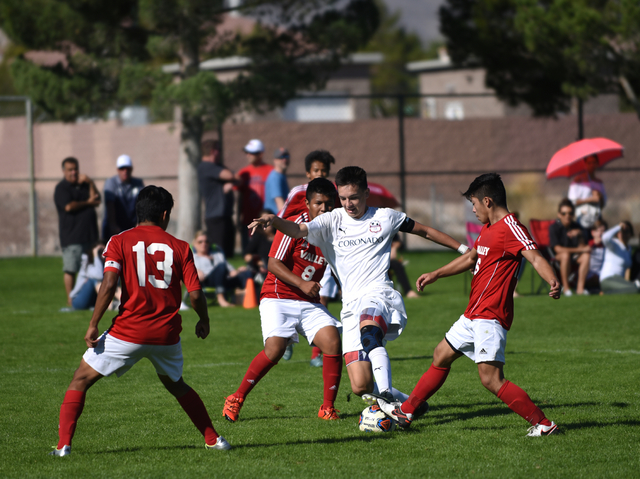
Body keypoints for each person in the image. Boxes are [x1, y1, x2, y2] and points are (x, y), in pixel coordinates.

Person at [248, 166, 467, 408]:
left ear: (366, 193)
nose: (348, 204)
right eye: (342, 199)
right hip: (350, 305)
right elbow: (297, 230)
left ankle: (389, 400)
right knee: (360, 385)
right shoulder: (331, 220)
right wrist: (274, 220)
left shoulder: (385, 217)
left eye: (353, 197)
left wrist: (463, 250)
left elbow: (424, 231)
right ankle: (408, 403)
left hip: (378, 294)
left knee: (370, 332)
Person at [375, 173, 562, 437]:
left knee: (490, 379)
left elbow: (535, 256)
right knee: (441, 355)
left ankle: (543, 424)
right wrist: (436, 274)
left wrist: (552, 279)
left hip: (491, 315)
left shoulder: (512, 227)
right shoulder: (488, 228)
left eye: (474, 204)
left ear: (488, 201)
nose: (473, 209)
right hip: (473, 313)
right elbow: (472, 258)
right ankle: (407, 411)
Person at [49, 186, 230, 456]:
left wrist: (93, 323)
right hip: (166, 336)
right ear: (165, 214)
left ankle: (63, 447)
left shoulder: (119, 241)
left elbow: (109, 283)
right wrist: (204, 319)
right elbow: (194, 294)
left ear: (138, 211)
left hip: (128, 333)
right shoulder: (181, 247)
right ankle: (214, 439)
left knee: (80, 380)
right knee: (176, 385)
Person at [223, 178, 343, 423]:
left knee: (332, 342)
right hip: (278, 295)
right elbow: (273, 264)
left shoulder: (336, 227)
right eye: (318, 203)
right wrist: (302, 284)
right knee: (275, 349)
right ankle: (236, 397)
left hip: (308, 301)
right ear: (308, 203)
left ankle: (327, 408)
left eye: (329, 204)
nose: (324, 209)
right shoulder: (296, 224)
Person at [278, 150, 337, 366]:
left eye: (324, 171)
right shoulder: (297, 193)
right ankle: (287, 338)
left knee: (321, 299)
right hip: (299, 253)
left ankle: (317, 353)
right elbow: (283, 217)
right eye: (316, 170)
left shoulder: (333, 194)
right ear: (307, 173)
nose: (320, 173)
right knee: (294, 296)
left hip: (323, 255)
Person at [54, 157, 101, 306]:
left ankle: (92, 298)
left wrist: (90, 182)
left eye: (75, 169)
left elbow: (97, 199)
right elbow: (68, 206)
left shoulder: (84, 186)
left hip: (90, 236)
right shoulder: (62, 188)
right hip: (72, 236)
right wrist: (87, 203)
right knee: (71, 269)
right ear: (64, 171)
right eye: (70, 170)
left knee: (92, 268)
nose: (74, 172)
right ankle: (71, 300)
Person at [193, 230, 252, 307]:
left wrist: (238, 271)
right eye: (200, 242)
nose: (203, 244)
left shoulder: (217, 254)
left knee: (246, 273)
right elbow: (186, 272)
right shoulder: (193, 258)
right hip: (207, 281)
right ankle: (221, 298)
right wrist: (195, 271)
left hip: (224, 278)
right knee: (220, 266)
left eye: (206, 241)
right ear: (195, 244)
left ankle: (251, 298)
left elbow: (231, 270)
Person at [198, 140, 236, 258]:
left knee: (228, 254)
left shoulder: (217, 166)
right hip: (216, 218)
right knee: (219, 253)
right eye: (219, 150)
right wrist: (232, 179)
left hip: (225, 215)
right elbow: (230, 175)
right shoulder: (205, 166)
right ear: (213, 151)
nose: (220, 153)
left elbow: (236, 178)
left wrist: (232, 181)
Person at [236, 139, 273, 254]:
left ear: (260, 154)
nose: (249, 155)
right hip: (248, 218)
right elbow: (239, 196)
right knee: (248, 251)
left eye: (252, 153)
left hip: (264, 219)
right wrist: (238, 216)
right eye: (247, 152)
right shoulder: (243, 172)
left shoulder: (270, 171)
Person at [548, 198, 591, 296]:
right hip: (558, 258)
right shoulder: (554, 227)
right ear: (559, 214)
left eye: (570, 213)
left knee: (586, 256)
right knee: (565, 255)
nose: (567, 216)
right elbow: (557, 249)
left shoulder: (577, 227)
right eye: (564, 213)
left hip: (574, 256)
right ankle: (566, 288)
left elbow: (584, 247)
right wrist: (580, 249)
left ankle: (580, 289)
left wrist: (579, 234)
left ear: (573, 214)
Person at [102, 154, 144, 243]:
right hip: (116, 227)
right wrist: (113, 226)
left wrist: (139, 225)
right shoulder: (111, 183)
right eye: (122, 169)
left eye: (128, 168)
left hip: (132, 227)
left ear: (131, 169)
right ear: (118, 170)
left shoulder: (138, 184)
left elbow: (142, 206)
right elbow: (110, 206)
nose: (125, 171)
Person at [568, 155, 606, 232]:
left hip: (596, 216)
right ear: (585, 164)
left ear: (597, 164)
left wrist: (599, 196)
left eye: (594, 162)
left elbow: (603, 204)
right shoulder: (577, 182)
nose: (592, 165)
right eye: (589, 163)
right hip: (582, 216)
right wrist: (591, 199)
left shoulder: (599, 182)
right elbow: (573, 201)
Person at [599, 221, 640, 294]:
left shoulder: (629, 249)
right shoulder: (614, 244)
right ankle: (606, 294)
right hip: (608, 278)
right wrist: (618, 227)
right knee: (635, 289)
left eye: (626, 231)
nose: (623, 233)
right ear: (618, 233)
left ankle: (608, 292)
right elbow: (605, 237)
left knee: (636, 288)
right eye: (621, 231)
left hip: (619, 279)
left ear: (630, 234)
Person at [66, 244, 106, 311]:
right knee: (93, 280)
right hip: (78, 301)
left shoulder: (105, 264)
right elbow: (99, 275)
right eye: (101, 252)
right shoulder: (87, 266)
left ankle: (120, 302)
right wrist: (95, 254)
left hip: (91, 301)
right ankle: (109, 305)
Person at [264, 147, 290, 214]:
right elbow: (280, 203)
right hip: (274, 221)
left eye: (286, 156)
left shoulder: (281, 176)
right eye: (281, 157)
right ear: (275, 160)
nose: (285, 159)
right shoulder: (275, 177)